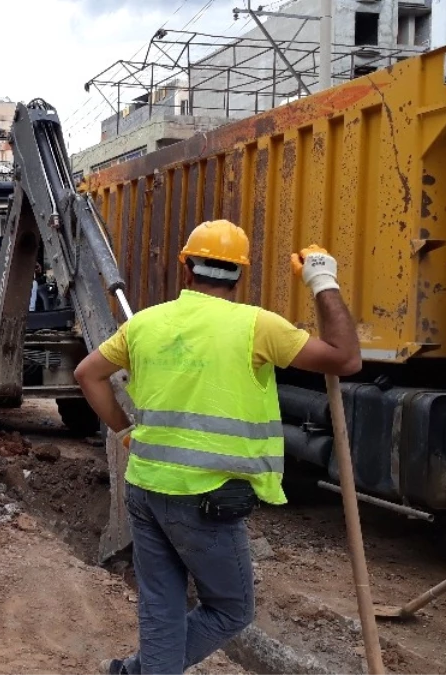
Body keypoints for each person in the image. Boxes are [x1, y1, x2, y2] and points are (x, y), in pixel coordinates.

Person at [73, 220, 362, 675]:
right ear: (240, 276)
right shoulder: (258, 327)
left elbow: (87, 373)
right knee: (231, 608)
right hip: (206, 499)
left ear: (186, 268)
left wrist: (124, 431)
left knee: (160, 607)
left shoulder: (144, 324)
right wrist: (322, 280)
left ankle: (137, 672)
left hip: (146, 488)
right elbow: (346, 358)